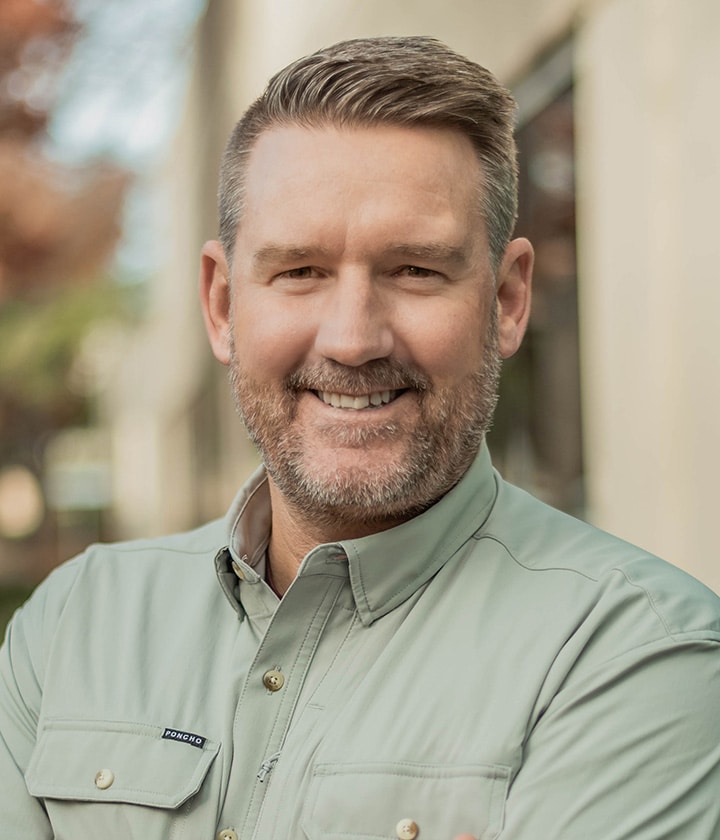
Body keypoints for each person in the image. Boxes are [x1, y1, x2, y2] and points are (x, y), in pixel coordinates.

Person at [1, 35, 719, 840]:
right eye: (300, 271)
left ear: (509, 300)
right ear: (222, 304)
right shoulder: (72, 626)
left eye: (415, 270)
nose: (351, 339)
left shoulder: (634, 654)